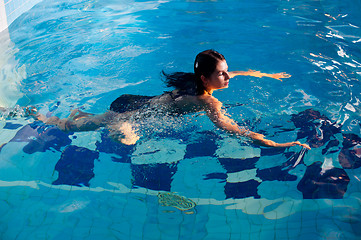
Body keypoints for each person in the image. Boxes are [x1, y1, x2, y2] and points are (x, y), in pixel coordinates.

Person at [34, 49, 310, 149]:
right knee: (124, 137)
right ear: (205, 79)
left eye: (225, 73)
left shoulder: (201, 81)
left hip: (134, 102)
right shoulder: (208, 101)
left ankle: (80, 113)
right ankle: (43, 117)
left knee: (98, 121)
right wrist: (272, 141)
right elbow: (229, 128)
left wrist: (267, 75)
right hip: (130, 113)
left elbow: (238, 71)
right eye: (221, 75)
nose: (227, 78)